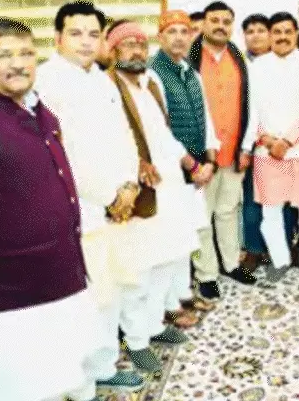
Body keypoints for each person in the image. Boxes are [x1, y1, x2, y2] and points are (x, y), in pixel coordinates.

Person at [0, 17, 97, 401]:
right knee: (14, 388)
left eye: (25, 53)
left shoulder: (39, 109)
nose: (18, 64)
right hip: (6, 294)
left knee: (49, 377)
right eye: (4, 55)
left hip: (51, 279)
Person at [35, 1, 146, 398]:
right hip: (80, 208)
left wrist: (129, 184)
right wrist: (109, 195)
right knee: (83, 299)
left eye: (93, 34)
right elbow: (62, 154)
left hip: (118, 205)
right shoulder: (46, 82)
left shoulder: (101, 78)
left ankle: (104, 366)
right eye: (76, 33)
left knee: (110, 290)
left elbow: (125, 135)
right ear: (57, 38)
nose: (85, 42)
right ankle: (79, 383)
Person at [105, 20, 205, 372]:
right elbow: (108, 140)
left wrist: (191, 163)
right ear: (113, 50)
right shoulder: (109, 88)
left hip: (169, 186)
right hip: (138, 192)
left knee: (166, 260)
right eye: (127, 44)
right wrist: (136, 164)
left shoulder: (148, 85)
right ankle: (136, 341)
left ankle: (154, 325)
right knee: (139, 269)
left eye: (140, 44)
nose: (136, 50)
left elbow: (163, 135)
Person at [242, 12, 299, 290]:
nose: (282, 37)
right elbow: (251, 109)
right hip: (266, 151)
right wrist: (265, 140)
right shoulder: (258, 66)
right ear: (270, 35)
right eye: (276, 32)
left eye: (287, 31)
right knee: (270, 211)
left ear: (296, 33)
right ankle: (279, 261)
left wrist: (287, 141)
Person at [150, 10, 218, 321]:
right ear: (160, 37)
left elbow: (206, 119)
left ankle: (183, 294)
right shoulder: (153, 75)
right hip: (172, 171)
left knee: (187, 234)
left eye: (184, 31)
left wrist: (210, 161)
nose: (179, 38)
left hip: (197, 168)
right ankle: (169, 306)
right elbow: (159, 130)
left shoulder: (191, 72)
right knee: (170, 239)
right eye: (171, 31)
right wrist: (192, 166)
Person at [188, 1, 256, 300]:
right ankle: (206, 274)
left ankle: (231, 264)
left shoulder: (240, 60)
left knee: (228, 211)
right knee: (201, 218)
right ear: (203, 24)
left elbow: (253, 106)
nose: (220, 26)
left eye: (226, 21)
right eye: (214, 20)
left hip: (233, 152)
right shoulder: (189, 60)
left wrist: (246, 146)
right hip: (203, 158)